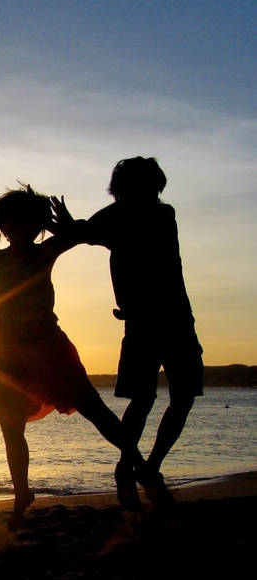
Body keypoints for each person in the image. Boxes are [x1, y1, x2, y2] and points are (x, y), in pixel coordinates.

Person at [0, 184, 172, 527]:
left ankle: (139, 467)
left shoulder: (45, 251)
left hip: (49, 349)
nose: (18, 231)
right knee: (10, 426)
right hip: (7, 355)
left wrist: (58, 225)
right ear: (4, 227)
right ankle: (22, 492)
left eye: (27, 224)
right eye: (12, 224)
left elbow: (79, 235)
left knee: (95, 410)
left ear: (36, 227)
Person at [50, 157, 202, 509]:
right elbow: (82, 232)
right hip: (153, 321)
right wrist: (68, 225)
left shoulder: (157, 215)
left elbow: (83, 232)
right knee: (151, 398)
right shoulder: (126, 216)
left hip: (170, 319)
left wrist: (69, 225)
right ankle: (134, 468)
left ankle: (144, 467)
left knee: (176, 397)